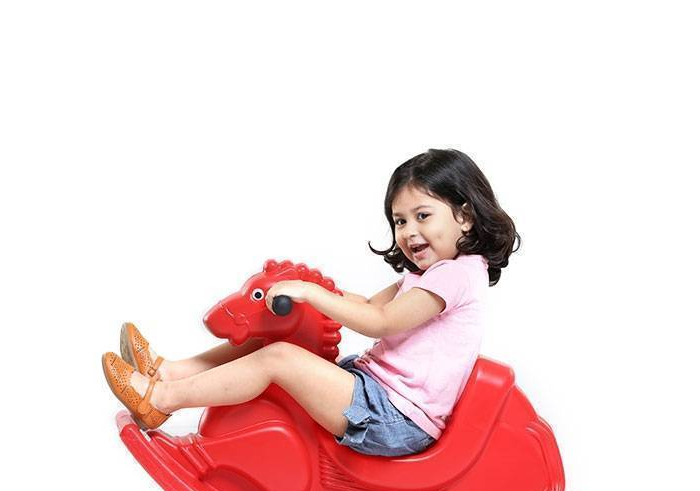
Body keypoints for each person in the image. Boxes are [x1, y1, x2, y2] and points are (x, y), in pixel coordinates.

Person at [102, 148, 520, 457]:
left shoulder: (457, 275)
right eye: (399, 220)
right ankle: (169, 372)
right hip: (374, 394)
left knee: (279, 358)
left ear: (465, 216)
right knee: (277, 340)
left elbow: (380, 321)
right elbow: (364, 303)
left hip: (395, 417)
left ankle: (161, 400)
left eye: (422, 215)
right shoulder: (429, 276)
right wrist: (308, 289)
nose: (409, 231)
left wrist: (313, 295)